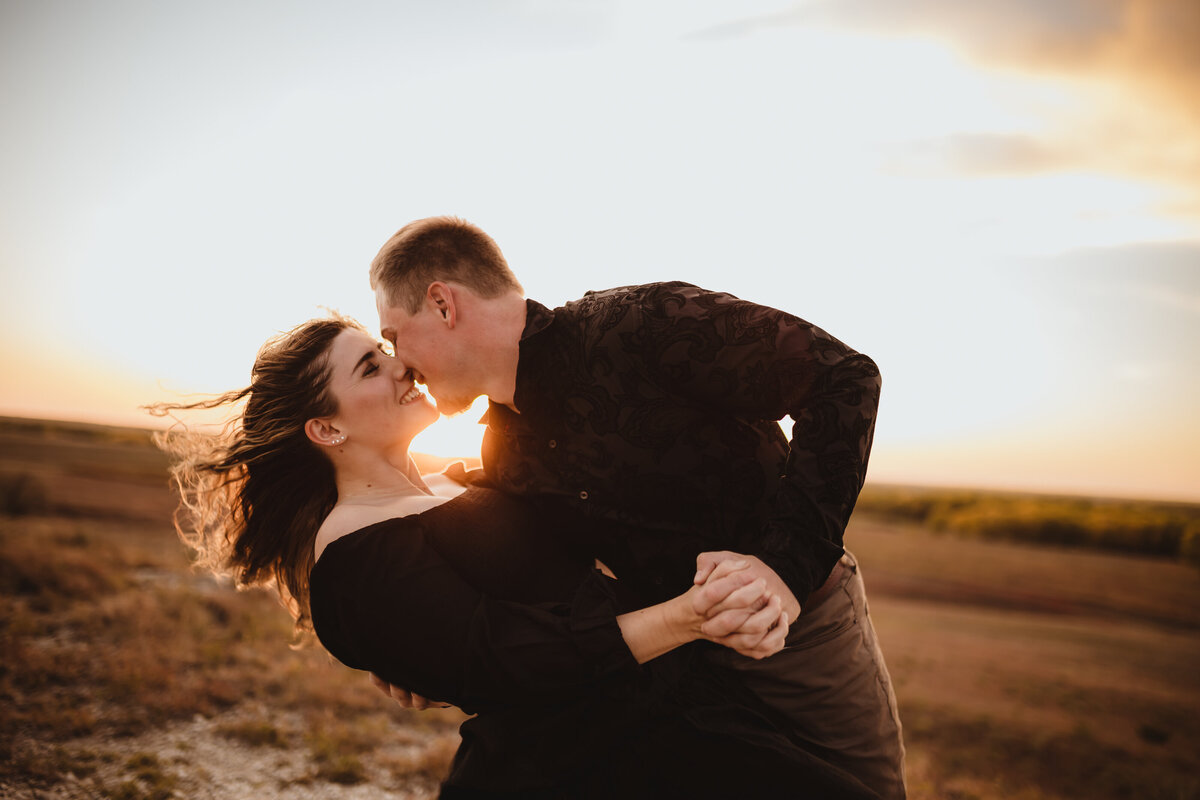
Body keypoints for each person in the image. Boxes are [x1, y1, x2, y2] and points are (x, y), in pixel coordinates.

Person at [154, 315, 880, 799]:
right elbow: (513, 657)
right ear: (324, 428)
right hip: (584, 767)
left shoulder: (458, 480)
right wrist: (689, 617)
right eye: (371, 369)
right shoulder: (352, 560)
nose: (403, 369)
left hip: (682, 712)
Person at [369, 216, 906, 799]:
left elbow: (843, 377)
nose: (398, 363)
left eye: (394, 336)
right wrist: (419, 648)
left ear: (443, 304)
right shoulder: (500, 450)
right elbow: (510, 563)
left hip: (803, 640)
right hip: (671, 669)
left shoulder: (643, 324)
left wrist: (782, 569)